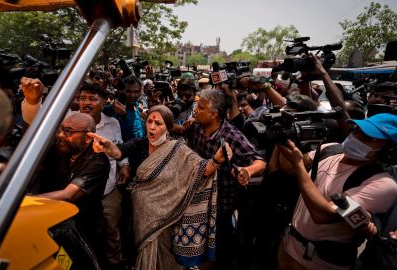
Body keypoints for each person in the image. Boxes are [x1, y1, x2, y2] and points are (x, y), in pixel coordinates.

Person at [88, 105, 232, 270]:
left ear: (168, 127)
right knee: (142, 251)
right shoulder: (139, 144)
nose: (152, 127)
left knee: (165, 255)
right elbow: (119, 152)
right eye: (149, 121)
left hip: (168, 217)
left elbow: (202, 169)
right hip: (140, 215)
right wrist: (107, 147)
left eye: (158, 123)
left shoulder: (179, 150)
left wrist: (218, 159)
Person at [277, 113, 397, 270]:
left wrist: (299, 164)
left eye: (369, 138)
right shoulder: (330, 149)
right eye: (356, 130)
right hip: (288, 246)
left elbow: (321, 214)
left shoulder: (382, 184)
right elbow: (288, 167)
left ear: (387, 151)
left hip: (320, 263)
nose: (357, 137)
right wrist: (283, 139)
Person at [176, 89, 267, 269]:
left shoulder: (232, 136)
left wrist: (247, 171)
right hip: (195, 199)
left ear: (214, 114)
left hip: (221, 206)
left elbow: (261, 162)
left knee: (217, 250)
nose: (195, 111)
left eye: (201, 107)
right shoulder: (195, 127)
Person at [78, 83, 131, 269]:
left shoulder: (112, 123)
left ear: (103, 102)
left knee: (112, 232)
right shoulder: (67, 121)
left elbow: (119, 146)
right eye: (83, 98)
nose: (86, 103)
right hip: (78, 194)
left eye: (92, 99)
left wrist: (124, 165)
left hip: (108, 191)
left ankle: (115, 264)